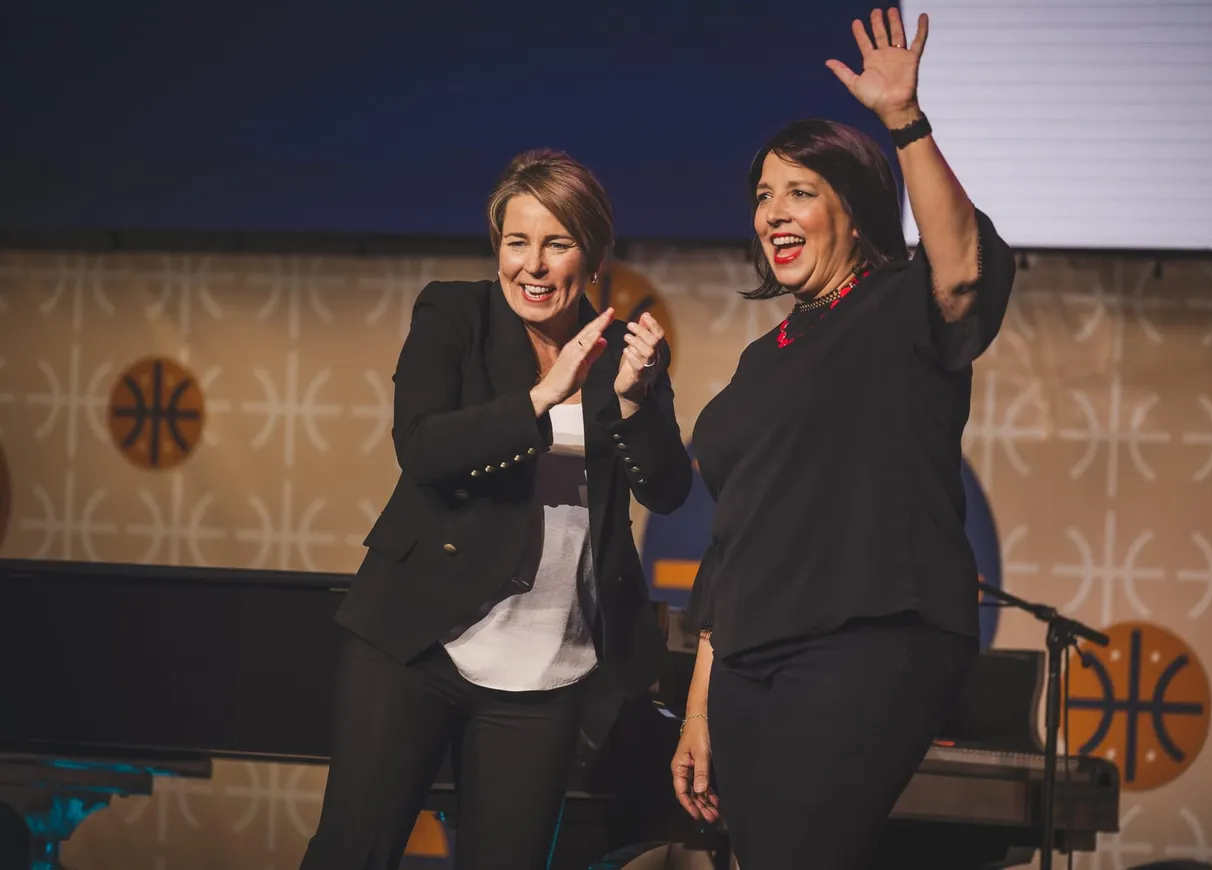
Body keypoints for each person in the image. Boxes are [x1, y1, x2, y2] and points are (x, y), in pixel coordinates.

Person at [670, 8, 1016, 869]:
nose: (773, 214)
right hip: (752, 650)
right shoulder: (764, 359)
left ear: (854, 212)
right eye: (762, 196)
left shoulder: (902, 306)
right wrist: (700, 709)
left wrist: (905, 121)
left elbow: (965, 268)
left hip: (872, 633)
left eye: (799, 192)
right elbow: (735, 543)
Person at [302, 149, 692, 870]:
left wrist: (635, 401)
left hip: (545, 674)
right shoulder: (455, 313)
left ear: (595, 254)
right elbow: (422, 449)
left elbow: (666, 490)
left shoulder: (618, 359)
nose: (533, 266)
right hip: (416, 645)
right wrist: (542, 400)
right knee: (352, 854)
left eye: (557, 243)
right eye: (517, 243)